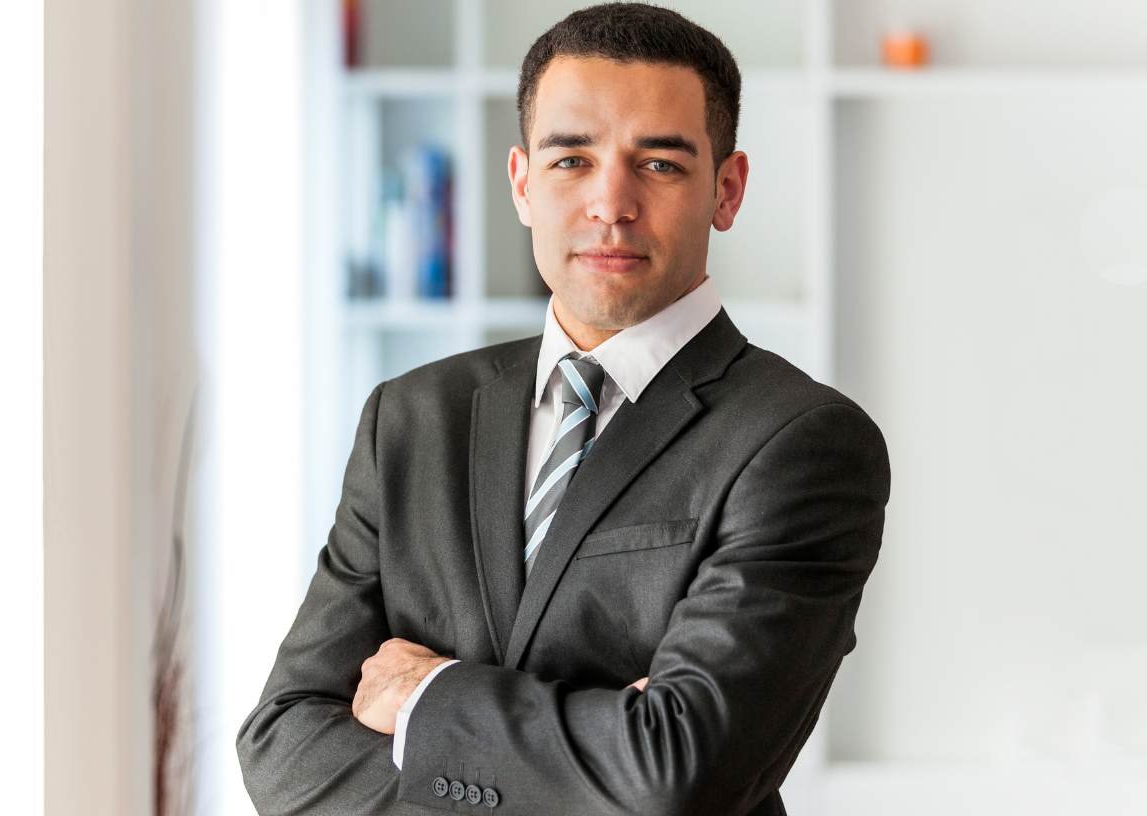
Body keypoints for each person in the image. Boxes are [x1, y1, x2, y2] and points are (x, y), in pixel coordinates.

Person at [236, 4, 890, 814]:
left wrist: (425, 698)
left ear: (726, 190)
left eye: (659, 164)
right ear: (522, 183)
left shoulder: (800, 442)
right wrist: (600, 747)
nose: (610, 204)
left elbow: (679, 774)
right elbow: (282, 749)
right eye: (572, 159)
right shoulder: (411, 418)